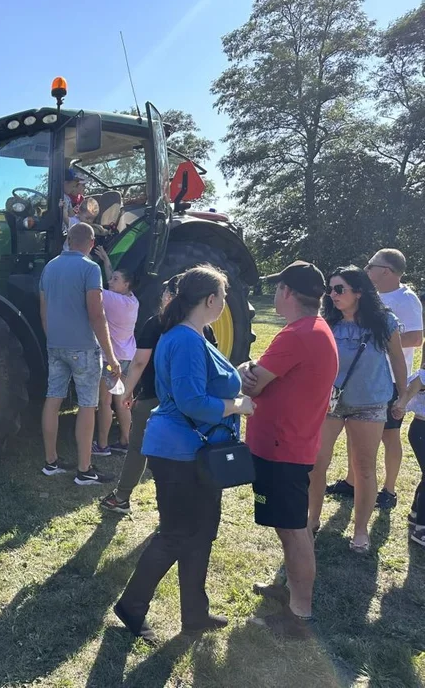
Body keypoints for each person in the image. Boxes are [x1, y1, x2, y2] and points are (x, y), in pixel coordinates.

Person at [114, 265, 255, 643]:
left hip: (194, 451)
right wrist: (236, 405)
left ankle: (195, 613)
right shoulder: (187, 339)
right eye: (224, 298)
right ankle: (131, 607)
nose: (225, 305)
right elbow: (192, 401)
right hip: (180, 452)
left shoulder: (191, 336)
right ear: (210, 300)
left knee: (202, 532)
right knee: (176, 534)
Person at [235, 261, 338, 638]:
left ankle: (300, 614)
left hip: (283, 448)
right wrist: (255, 371)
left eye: (277, 288)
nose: (275, 294)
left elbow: (252, 385)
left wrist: (250, 370)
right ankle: (293, 591)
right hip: (290, 444)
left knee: (294, 529)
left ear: (287, 292)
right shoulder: (316, 328)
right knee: (288, 525)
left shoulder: (296, 334)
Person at [309, 266, 407, 553]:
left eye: (339, 289)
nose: (332, 294)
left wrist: (402, 398)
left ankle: (361, 530)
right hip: (330, 404)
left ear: (359, 292)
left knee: (364, 468)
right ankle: (312, 519)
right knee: (316, 465)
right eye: (330, 289)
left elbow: (398, 362)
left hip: (370, 404)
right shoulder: (326, 322)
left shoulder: (384, 322)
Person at [328, 249, 423, 510]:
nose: (367, 269)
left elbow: (416, 338)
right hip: (363, 379)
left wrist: (374, 340)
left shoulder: (406, 299)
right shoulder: (372, 297)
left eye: (371, 265)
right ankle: (351, 481)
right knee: (354, 431)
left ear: (387, 271)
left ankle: (389, 490)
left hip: (391, 380)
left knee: (390, 436)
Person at [40, 222, 120, 486]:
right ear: (91, 243)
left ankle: (51, 462)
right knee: (88, 404)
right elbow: (97, 314)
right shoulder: (90, 268)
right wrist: (111, 355)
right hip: (83, 347)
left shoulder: (50, 267)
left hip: (55, 345)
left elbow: (44, 309)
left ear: (68, 241)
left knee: (53, 399)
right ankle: (84, 470)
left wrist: (52, 338)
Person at [101, 275, 182, 515]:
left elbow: (139, 363)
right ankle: (177, 505)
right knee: (179, 452)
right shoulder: (202, 329)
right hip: (185, 401)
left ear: (168, 297)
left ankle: (122, 497)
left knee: (137, 447)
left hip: (154, 398)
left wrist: (127, 393)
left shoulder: (156, 324)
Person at [91, 247, 139, 456]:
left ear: (126, 284)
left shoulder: (112, 299)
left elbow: (95, 291)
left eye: (115, 279)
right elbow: (112, 280)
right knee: (122, 400)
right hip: (128, 356)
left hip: (111, 359)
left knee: (105, 401)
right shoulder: (132, 300)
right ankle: (125, 440)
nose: (110, 281)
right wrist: (107, 262)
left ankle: (102, 445)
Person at [393, 357, 425, 548]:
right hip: (422, 430)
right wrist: (401, 404)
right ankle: (421, 528)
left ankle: (415, 514)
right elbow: (412, 386)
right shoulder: (422, 376)